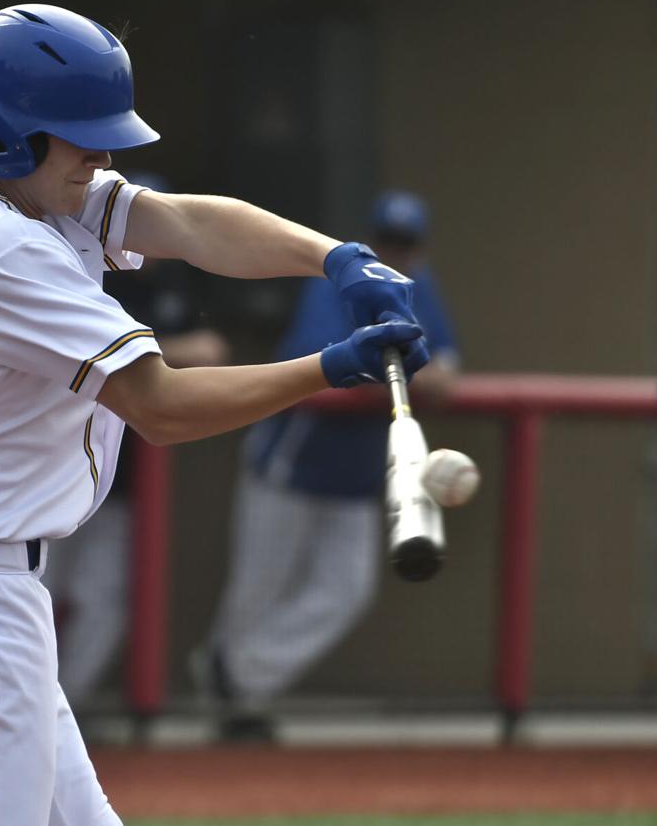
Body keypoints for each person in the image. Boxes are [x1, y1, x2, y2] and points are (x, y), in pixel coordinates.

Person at [0, 4, 428, 826]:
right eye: (80, 133)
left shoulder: (1, 184)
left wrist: (334, 257)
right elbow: (157, 404)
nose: (104, 152)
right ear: (8, 131)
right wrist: (328, 369)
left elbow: (182, 222)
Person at [194, 190, 459, 742]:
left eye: (406, 244)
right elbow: (328, 358)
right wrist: (405, 371)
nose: (397, 252)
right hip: (291, 463)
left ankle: (236, 675)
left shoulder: (420, 285)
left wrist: (430, 371)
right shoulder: (344, 277)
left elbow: (447, 360)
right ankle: (238, 698)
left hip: (358, 472)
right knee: (258, 587)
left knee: (347, 589)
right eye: (389, 240)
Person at [43, 171, 232, 710]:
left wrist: (150, 355)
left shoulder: (169, 283)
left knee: (106, 598)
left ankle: (64, 706)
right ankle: (25, 706)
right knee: (35, 587)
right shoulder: (75, 267)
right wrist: (154, 355)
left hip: (122, 479)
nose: (140, 241)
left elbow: (211, 352)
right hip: (56, 466)